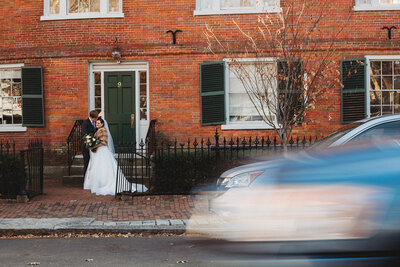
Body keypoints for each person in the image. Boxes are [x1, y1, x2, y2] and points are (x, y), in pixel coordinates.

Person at [83, 117, 147, 195]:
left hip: (102, 151)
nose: (97, 124)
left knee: (103, 167)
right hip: (98, 151)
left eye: (99, 123)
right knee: (99, 167)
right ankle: (99, 183)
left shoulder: (102, 130)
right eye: (96, 123)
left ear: (102, 124)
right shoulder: (98, 130)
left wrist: (93, 146)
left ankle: (102, 184)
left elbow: (104, 142)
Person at [81, 110, 98, 175]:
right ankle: (85, 178)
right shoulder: (85, 123)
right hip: (86, 146)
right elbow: (84, 134)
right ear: (92, 117)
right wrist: (91, 140)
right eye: (95, 118)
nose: (96, 120)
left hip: (93, 147)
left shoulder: (95, 123)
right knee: (87, 162)